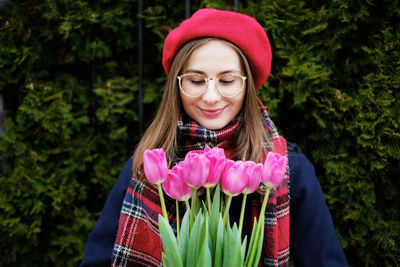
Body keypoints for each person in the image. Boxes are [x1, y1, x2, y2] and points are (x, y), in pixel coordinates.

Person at [80, 8, 348, 267]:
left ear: (247, 85)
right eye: (196, 81)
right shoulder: (146, 170)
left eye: (227, 81)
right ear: (177, 85)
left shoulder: (288, 171)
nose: (210, 96)